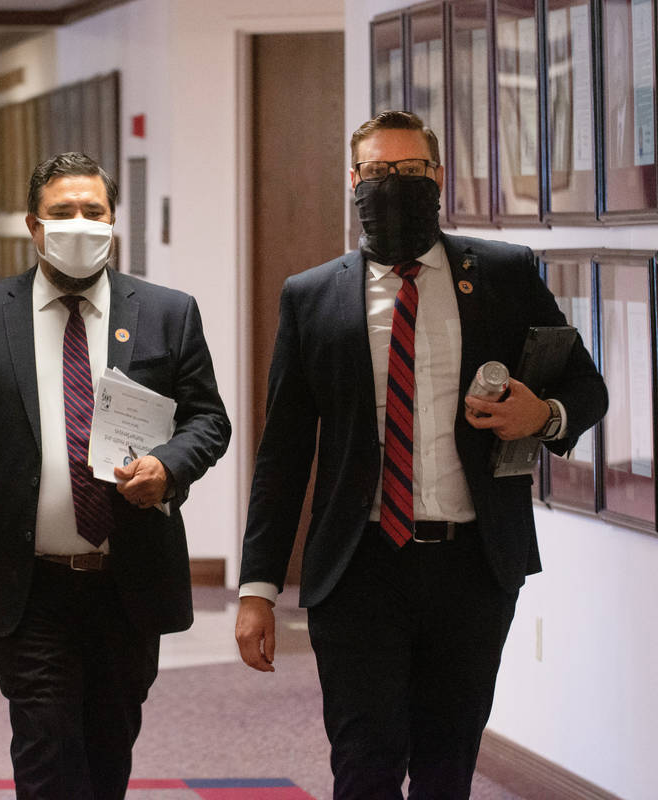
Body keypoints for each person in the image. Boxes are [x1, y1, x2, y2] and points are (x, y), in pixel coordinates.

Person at [235, 111, 608, 799]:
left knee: (445, 769)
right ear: (354, 181)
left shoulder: (502, 274)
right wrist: (258, 588)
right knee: (364, 765)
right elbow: (283, 451)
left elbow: (586, 386)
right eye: (377, 172)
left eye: (409, 172)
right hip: (358, 567)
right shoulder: (311, 297)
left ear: (437, 178)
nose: (393, 185)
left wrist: (544, 415)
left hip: (472, 567)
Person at [0, 152, 231, 799]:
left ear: (114, 221)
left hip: (128, 580)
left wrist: (169, 466)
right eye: (63, 212)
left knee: (107, 755)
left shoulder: (166, 312)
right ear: (33, 224)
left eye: (93, 212)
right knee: (48, 749)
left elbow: (209, 421)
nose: (80, 224)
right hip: (25, 584)